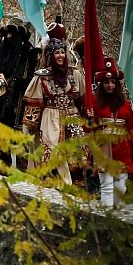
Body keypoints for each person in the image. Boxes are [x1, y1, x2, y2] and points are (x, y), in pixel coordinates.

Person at [22, 38, 86, 185]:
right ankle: (56, 187)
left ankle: (74, 191)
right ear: (50, 56)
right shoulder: (42, 77)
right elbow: (34, 103)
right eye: (56, 52)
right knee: (52, 151)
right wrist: (30, 126)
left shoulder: (74, 74)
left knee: (75, 154)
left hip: (72, 118)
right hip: (51, 119)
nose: (60, 55)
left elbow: (83, 100)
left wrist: (87, 119)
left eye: (63, 52)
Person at [93, 57, 133, 207]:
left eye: (113, 82)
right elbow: (90, 128)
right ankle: (106, 221)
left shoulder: (125, 106)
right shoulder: (96, 105)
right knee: (107, 187)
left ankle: (117, 221)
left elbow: (132, 129)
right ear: (102, 85)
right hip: (104, 151)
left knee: (121, 188)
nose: (110, 85)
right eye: (107, 82)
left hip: (122, 152)